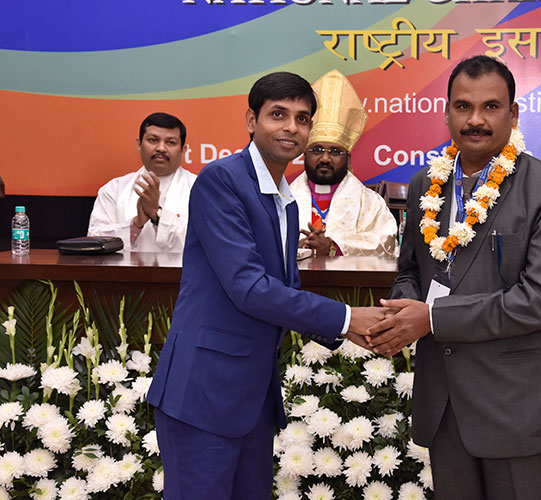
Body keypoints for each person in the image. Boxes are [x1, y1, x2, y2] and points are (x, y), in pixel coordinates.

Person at [146, 72, 382, 500]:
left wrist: (353, 329)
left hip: (251, 398)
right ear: (251, 121)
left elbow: (283, 287)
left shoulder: (284, 199)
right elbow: (249, 289)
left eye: (302, 118)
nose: (292, 127)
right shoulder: (222, 180)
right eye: (278, 115)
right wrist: (348, 320)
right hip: (204, 393)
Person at [366, 56, 541, 499]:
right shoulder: (425, 183)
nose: (475, 120)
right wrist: (402, 308)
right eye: (463, 106)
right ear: (447, 113)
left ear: (513, 114)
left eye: (490, 107)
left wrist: (431, 318)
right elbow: (411, 269)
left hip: (514, 404)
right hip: (444, 401)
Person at [290, 69, 397, 257]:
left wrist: (333, 247)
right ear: (304, 154)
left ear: (348, 158)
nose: (325, 158)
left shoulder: (370, 202)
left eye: (335, 151)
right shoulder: (283, 198)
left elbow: (386, 244)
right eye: (317, 149)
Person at [87, 112, 196, 253]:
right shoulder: (114, 189)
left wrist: (157, 214)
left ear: (183, 150)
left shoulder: (199, 188)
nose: (161, 148)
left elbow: (206, 242)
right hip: (126, 268)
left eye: (171, 142)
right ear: (139, 145)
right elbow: (94, 242)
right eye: (153, 140)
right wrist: (135, 224)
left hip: (180, 268)